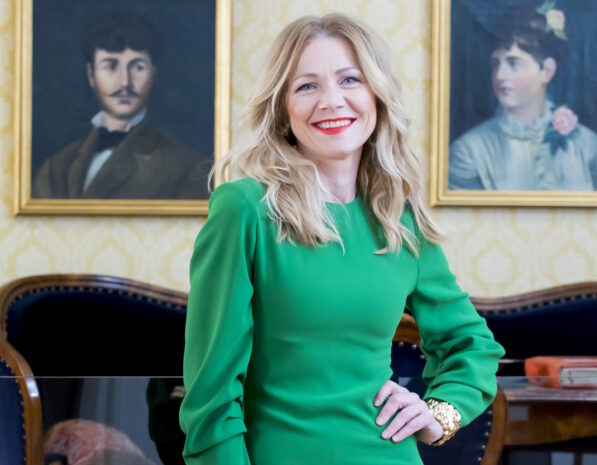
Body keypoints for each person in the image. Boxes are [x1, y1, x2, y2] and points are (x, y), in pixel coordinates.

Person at [179, 13, 504, 465]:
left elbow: (472, 344)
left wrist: (439, 414)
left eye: (350, 80)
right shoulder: (244, 209)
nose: (331, 101)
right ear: (282, 108)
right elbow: (210, 400)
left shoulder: (399, 220)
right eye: (306, 86)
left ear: (376, 95)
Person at [32, 12, 210, 200]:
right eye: (110, 66)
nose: (125, 82)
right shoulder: (55, 168)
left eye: (138, 67)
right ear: (91, 74)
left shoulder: (187, 168)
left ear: (153, 74)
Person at [448, 4, 597, 191]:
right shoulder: (469, 151)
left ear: (547, 71)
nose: (500, 75)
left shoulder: (588, 146)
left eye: (513, 64)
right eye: (496, 64)